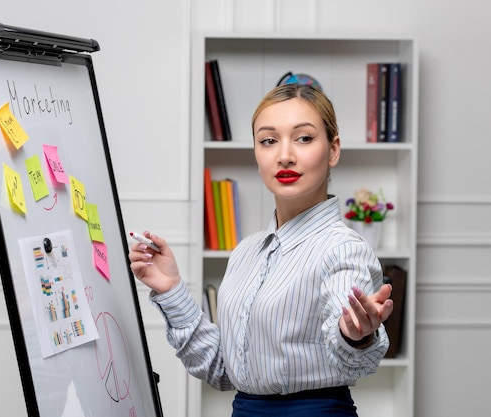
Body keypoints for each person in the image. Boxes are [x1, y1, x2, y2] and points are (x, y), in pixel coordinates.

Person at [129, 83, 394, 416]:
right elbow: (224, 369)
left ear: (333, 150)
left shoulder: (342, 249)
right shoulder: (246, 252)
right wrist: (170, 289)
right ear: (256, 153)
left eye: (304, 138)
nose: (284, 155)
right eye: (268, 141)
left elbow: (348, 339)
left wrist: (354, 335)